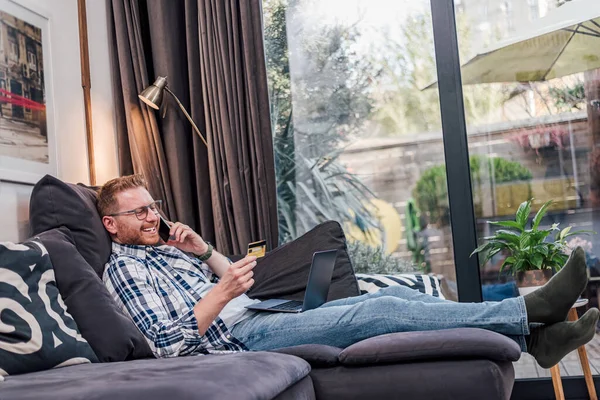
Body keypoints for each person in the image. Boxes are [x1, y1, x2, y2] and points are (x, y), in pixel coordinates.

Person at [99, 174, 599, 368]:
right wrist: (222, 294)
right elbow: (168, 344)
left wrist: (204, 250)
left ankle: (535, 340)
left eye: (154, 207)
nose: (152, 218)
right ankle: (532, 310)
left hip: (258, 310)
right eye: (138, 212)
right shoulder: (123, 269)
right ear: (110, 224)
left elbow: (236, 282)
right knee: (378, 310)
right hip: (239, 338)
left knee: (403, 301)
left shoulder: (168, 251)